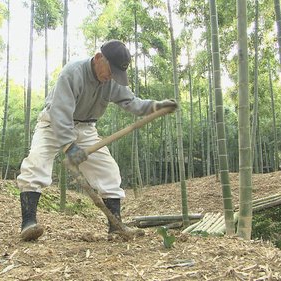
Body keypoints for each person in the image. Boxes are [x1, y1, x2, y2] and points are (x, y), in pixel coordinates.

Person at [17, 39, 177, 241]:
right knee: (36, 164)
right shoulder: (72, 72)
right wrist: (68, 145)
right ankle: (28, 223)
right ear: (99, 58)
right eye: (111, 70)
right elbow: (60, 111)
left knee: (108, 171)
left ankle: (116, 226)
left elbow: (132, 102)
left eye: (116, 74)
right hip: (53, 123)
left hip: (86, 128)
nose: (111, 77)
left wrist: (157, 105)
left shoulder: (111, 81)